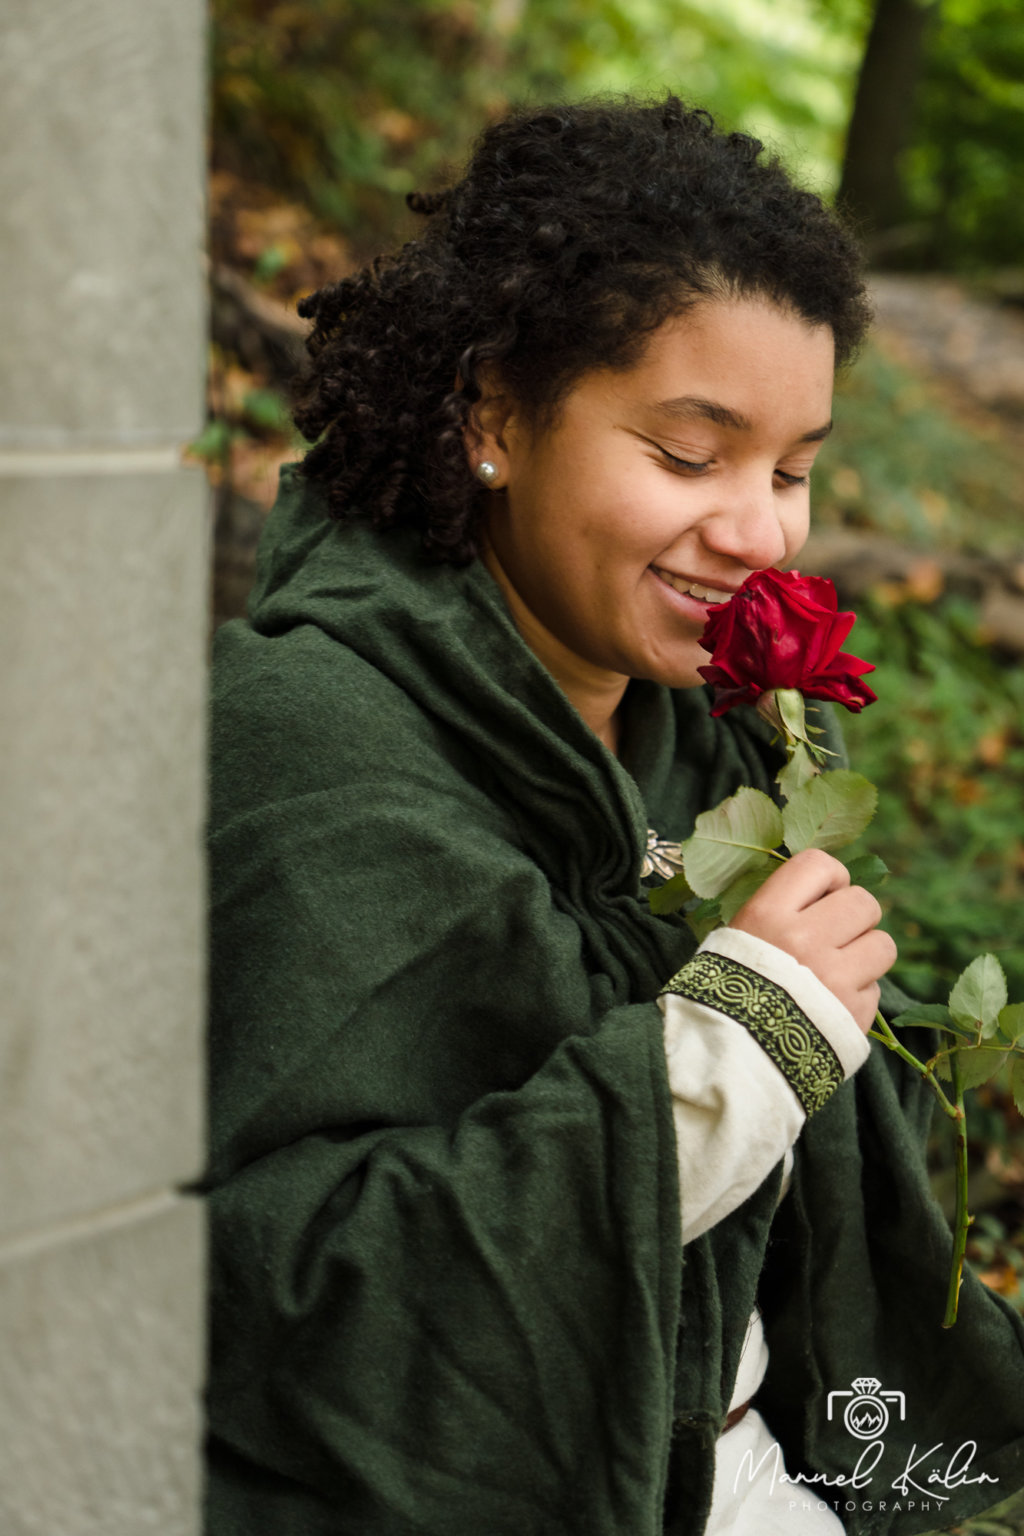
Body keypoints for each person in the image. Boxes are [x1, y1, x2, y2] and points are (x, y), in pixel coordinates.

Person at [204, 98, 1024, 1535]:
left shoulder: (707, 735)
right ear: (496, 418)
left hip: (734, 1446)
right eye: (692, 456)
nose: (763, 533)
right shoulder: (307, 746)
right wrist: (720, 1066)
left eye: (791, 470)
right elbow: (261, 1301)